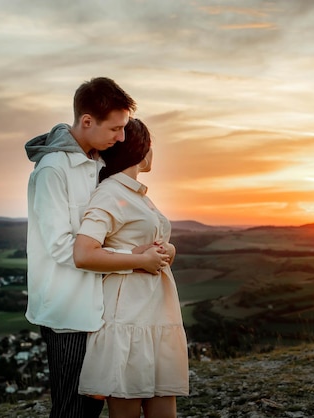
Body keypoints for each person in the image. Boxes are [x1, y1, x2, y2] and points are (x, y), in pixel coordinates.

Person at [25, 77, 170, 418]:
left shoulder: (99, 163)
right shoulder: (52, 171)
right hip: (69, 309)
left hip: (102, 307)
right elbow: (63, 248)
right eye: (115, 128)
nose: (121, 137)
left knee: (94, 402)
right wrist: (134, 260)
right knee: (74, 409)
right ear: (87, 121)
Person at [74, 118, 189, 418]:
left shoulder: (139, 195)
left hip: (157, 315)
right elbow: (84, 253)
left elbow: (155, 248)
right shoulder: (110, 193)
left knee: (165, 410)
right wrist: (139, 259)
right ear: (143, 150)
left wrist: (169, 250)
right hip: (128, 316)